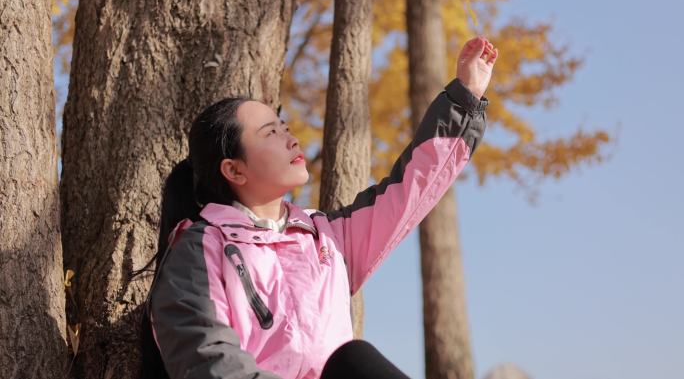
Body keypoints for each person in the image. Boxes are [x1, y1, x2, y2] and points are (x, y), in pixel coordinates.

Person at [137, 36, 498, 379]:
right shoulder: (198, 250)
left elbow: (411, 190)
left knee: (354, 360)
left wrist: (464, 97)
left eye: (284, 126)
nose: (290, 137)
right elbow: (207, 359)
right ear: (234, 169)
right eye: (270, 133)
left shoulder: (327, 238)